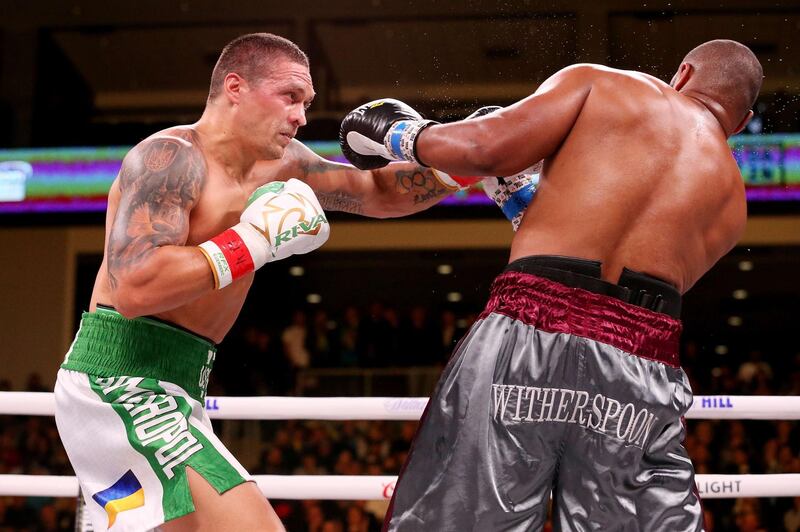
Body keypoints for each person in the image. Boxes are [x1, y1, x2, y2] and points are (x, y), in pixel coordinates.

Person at [53, 33, 524, 532]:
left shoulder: (285, 163)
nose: (301, 115)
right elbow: (134, 289)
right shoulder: (169, 159)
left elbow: (377, 191)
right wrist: (252, 240)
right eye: (290, 97)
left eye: (306, 103)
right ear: (235, 87)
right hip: (121, 379)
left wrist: (467, 163)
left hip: (178, 383)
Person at [340, 39, 763, 531]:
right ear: (741, 117)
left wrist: (400, 133)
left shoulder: (605, 84)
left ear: (683, 72)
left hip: (530, 323)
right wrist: (527, 206)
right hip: (641, 359)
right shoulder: (735, 203)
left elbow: (482, 149)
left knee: (465, 516)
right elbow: (621, 277)